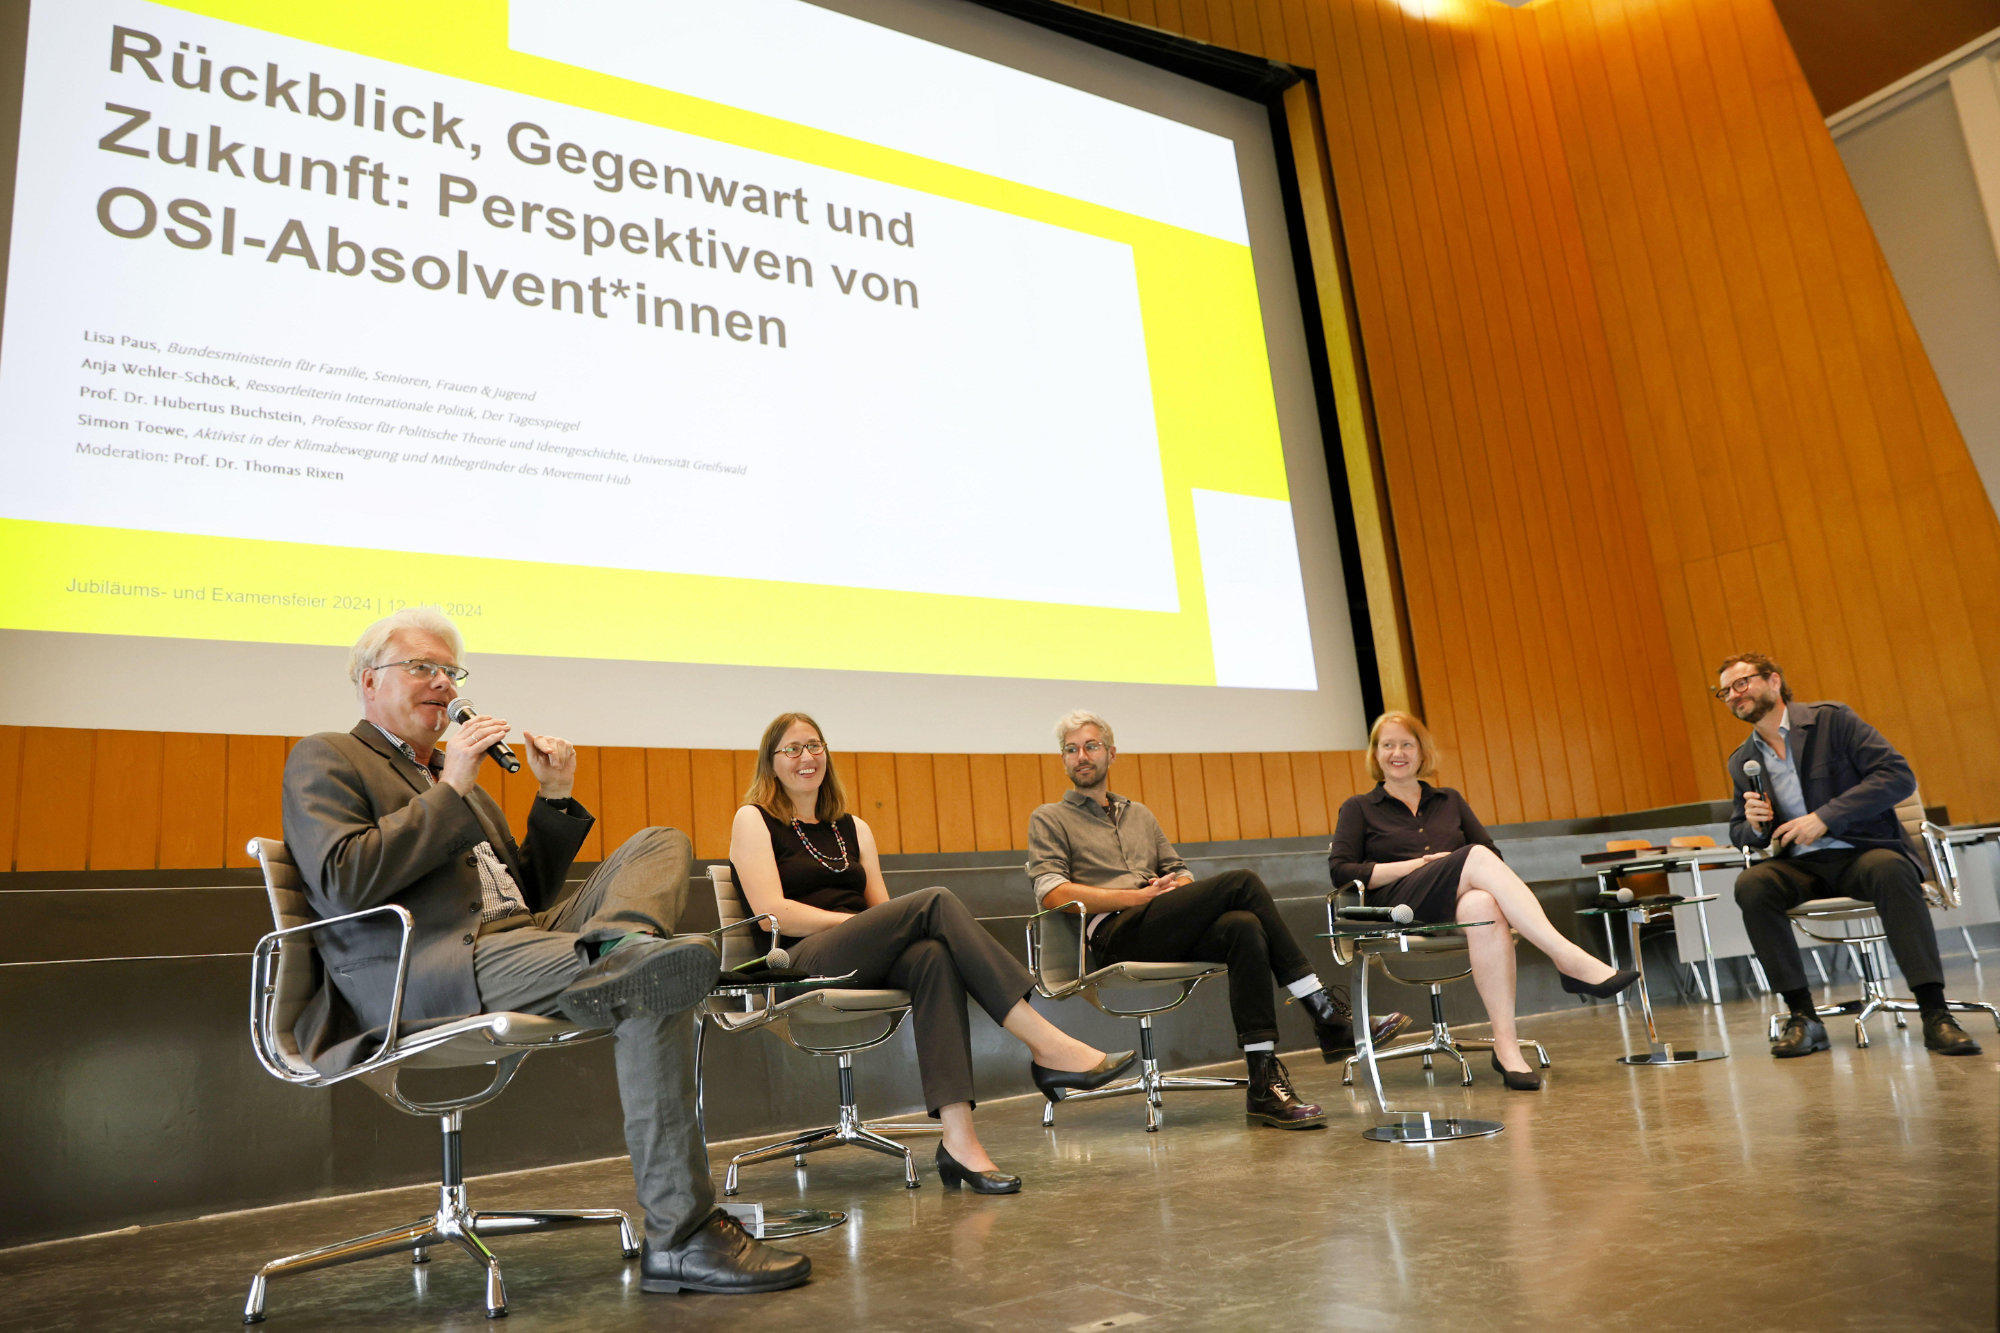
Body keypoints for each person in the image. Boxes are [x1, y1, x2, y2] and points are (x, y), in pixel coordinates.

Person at [282, 608, 809, 1295]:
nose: (443, 683)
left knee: (661, 841)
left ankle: (618, 951)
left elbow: (524, 892)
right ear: (366, 680)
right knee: (656, 977)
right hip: (429, 965)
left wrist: (554, 797)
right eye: (423, 668)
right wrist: (452, 790)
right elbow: (343, 876)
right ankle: (680, 1232)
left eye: (451, 671)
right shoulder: (329, 756)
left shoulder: (453, 775)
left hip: (521, 940)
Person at [729, 712, 1135, 1193]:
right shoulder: (753, 819)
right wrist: (856, 924)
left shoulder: (853, 828)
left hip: (858, 955)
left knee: (933, 957)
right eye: (791, 749)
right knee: (935, 901)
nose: (806, 758)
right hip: (799, 962)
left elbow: (884, 913)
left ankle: (960, 1142)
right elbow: (774, 913)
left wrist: (869, 926)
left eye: (814, 746)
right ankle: (1047, 1044)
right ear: (770, 762)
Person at [1027, 711, 1410, 1130]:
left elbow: (1178, 867)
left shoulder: (1140, 815)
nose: (1081, 756)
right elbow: (1052, 892)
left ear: (1111, 753)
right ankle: (1323, 1012)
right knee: (1242, 882)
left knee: (1244, 926)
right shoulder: (1049, 817)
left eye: (1091, 746)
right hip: (1113, 935)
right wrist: (1133, 897)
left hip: (1161, 922)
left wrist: (1178, 885)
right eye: (1071, 749)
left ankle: (1263, 1085)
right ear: (1063, 759)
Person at [1328, 711, 1640, 1091]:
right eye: (1387, 745)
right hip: (1398, 906)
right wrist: (1419, 865)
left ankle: (1506, 1047)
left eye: (1406, 744)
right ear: (1375, 753)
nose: (1398, 752)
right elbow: (1342, 872)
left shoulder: (1449, 799)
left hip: (1451, 903)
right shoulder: (1359, 807)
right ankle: (1567, 956)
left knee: (1483, 904)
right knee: (1473, 856)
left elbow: (1493, 856)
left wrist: (1457, 875)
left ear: (1421, 751)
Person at [1716, 652, 1983, 1057]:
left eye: (1741, 684)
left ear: (1773, 681)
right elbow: (1738, 831)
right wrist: (1752, 827)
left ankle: (1936, 1014)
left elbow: (1897, 776)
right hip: (1801, 865)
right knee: (1752, 884)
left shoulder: (1832, 721)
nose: (1734, 696)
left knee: (1891, 870)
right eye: (1725, 692)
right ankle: (1803, 1017)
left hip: (1864, 852)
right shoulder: (1743, 761)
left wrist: (1825, 818)